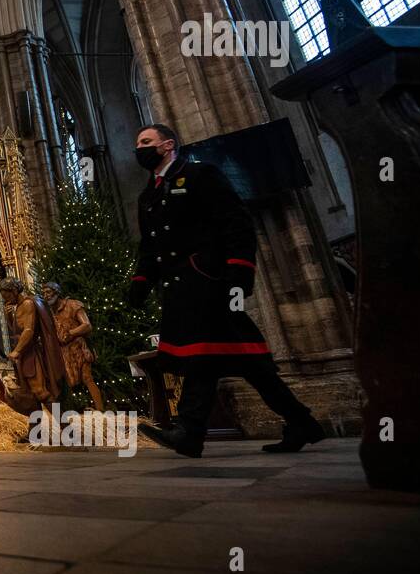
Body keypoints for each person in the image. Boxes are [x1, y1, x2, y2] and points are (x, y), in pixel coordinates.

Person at [128, 123, 325, 457]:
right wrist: (141, 282)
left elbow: (236, 222)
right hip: (181, 290)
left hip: (209, 282)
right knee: (248, 363)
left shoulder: (200, 175)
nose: (139, 148)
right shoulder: (148, 195)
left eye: (146, 141)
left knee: (202, 358)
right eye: (138, 143)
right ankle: (301, 421)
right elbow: (151, 246)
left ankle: (189, 431)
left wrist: (239, 272)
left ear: (168, 145)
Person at [0, 277, 66, 409]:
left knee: (40, 392)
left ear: (14, 291)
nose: (5, 299)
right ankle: (36, 429)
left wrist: (17, 351)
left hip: (30, 353)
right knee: (32, 395)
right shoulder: (17, 306)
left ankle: (66, 427)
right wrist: (8, 316)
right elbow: (15, 329)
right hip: (24, 352)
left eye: (7, 296)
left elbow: (28, 330)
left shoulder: (28, 304)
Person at [42, 281, 106, 411]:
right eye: (43, 293)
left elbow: (87, 325)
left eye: (48, 292)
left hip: (79, 348)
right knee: (66, 382)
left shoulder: (72, 305)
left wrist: (71, 333)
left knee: (87, 378)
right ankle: (70, 411)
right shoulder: (50, 312)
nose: (46, 296)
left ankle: (100, 410)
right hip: (64, 351)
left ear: (56, 292)